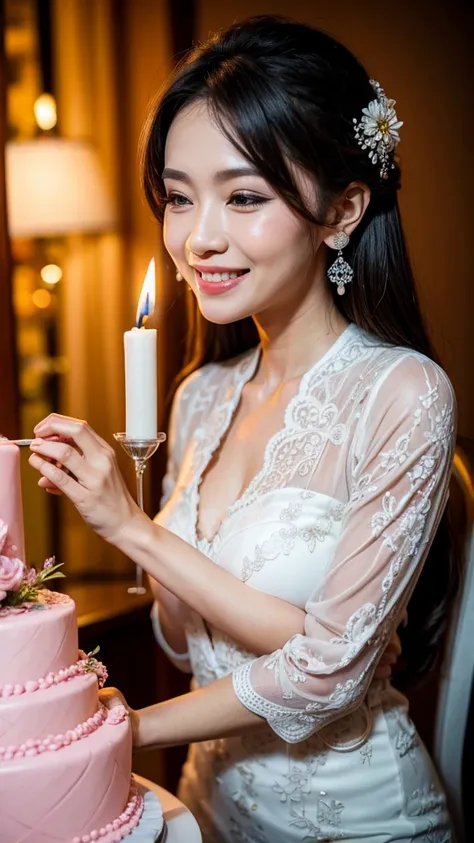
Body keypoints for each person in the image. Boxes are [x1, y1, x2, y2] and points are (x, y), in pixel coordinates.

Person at [28, 15, 457, 843]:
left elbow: (331, 669)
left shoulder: (404, 394)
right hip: (212, 805)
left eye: (245, 196)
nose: (200, 239)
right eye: (180, 198)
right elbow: (187, 643)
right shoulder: (198, 397)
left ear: (342, 210)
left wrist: (126, 725)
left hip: (358, 823)